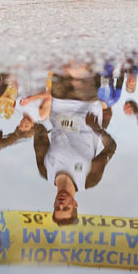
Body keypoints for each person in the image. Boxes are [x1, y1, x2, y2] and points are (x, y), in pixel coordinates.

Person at [32, 66, 116, 225]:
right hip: (86, 102)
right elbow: (111, 147)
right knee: (82, 62)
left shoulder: (46, 171)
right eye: (66, 208)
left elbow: (39, 132)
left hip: (59, 101)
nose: (61, 204)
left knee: (62, 59)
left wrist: (35, 122)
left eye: (57, 208)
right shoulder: (89, 179)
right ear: (75, 205)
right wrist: (97, 129)